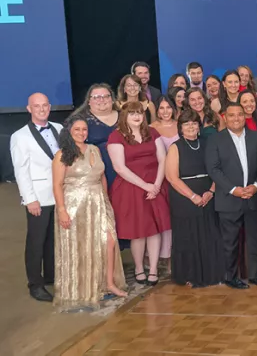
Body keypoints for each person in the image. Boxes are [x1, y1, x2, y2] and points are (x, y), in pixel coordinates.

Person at [50, 117, 128, 311]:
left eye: (84, 129)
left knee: (108, 241)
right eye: (77, 129)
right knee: (81, 246)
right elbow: (57, 184)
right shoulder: (62, 154)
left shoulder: (94, 149)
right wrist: (62, 210)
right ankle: (81, 288)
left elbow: (101, 176)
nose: (81, 132)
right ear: (69, 131)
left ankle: (108, 283)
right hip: (74, 205)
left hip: (98, 202)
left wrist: (106, 200)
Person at [107, 101, 170, 286]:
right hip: (131, 188)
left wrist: (157, 185)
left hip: (155, 185)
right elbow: (119, 167)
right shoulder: (116, 136)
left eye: (140, 113)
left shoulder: (152, 132)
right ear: (124, 116)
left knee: (154, 228)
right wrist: (146, 186)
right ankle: (138, 268)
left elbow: (162, 158)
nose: (137, 116)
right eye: (132, 113)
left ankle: (153, 269)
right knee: (139, 231)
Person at [205, 103, 257, 289]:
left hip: (253, 197)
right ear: (225, 117)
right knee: (230, 242)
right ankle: (230, 276)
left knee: (254, 239)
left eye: (240, 114)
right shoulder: (215, 140)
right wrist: (233, 189)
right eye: (232, 115)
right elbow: (213, 169)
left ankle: (255, 274)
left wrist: (256, 186)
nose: (236, 118)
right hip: (229, 199)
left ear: (244, 117)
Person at [11, 93, 63, 302]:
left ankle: (51, 276)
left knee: (53, 239)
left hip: (59, 194)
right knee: (36, 241)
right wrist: (29, 198)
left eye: (44, 105)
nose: (41, 109)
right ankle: (35, 284)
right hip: (38, 197)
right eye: (36, 106)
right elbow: (21, 170)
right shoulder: (19, 136)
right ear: (29, 109)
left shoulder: (59, 129)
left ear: (49, 107)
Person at [163, 110, 222, 288]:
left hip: (209, 194)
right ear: (180, 128)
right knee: (188, 237)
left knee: (210, 235)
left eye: (194, 123)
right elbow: (172, 177)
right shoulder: (175, 147)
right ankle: (190, 274)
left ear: (199, 126)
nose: (191, 127)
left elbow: (218, 169)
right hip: (184, 197)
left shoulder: (208, 143)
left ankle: (213, 273)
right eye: (186, 124)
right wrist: (193, 196)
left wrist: (211, 191)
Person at [80, 85, 120, 186]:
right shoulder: (80, 121)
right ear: (89, 101)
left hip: (127, 172)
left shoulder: (126, 116)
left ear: (112, 99)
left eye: (106, 96)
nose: (102, 100)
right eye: (97, 97)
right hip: (95, 176)